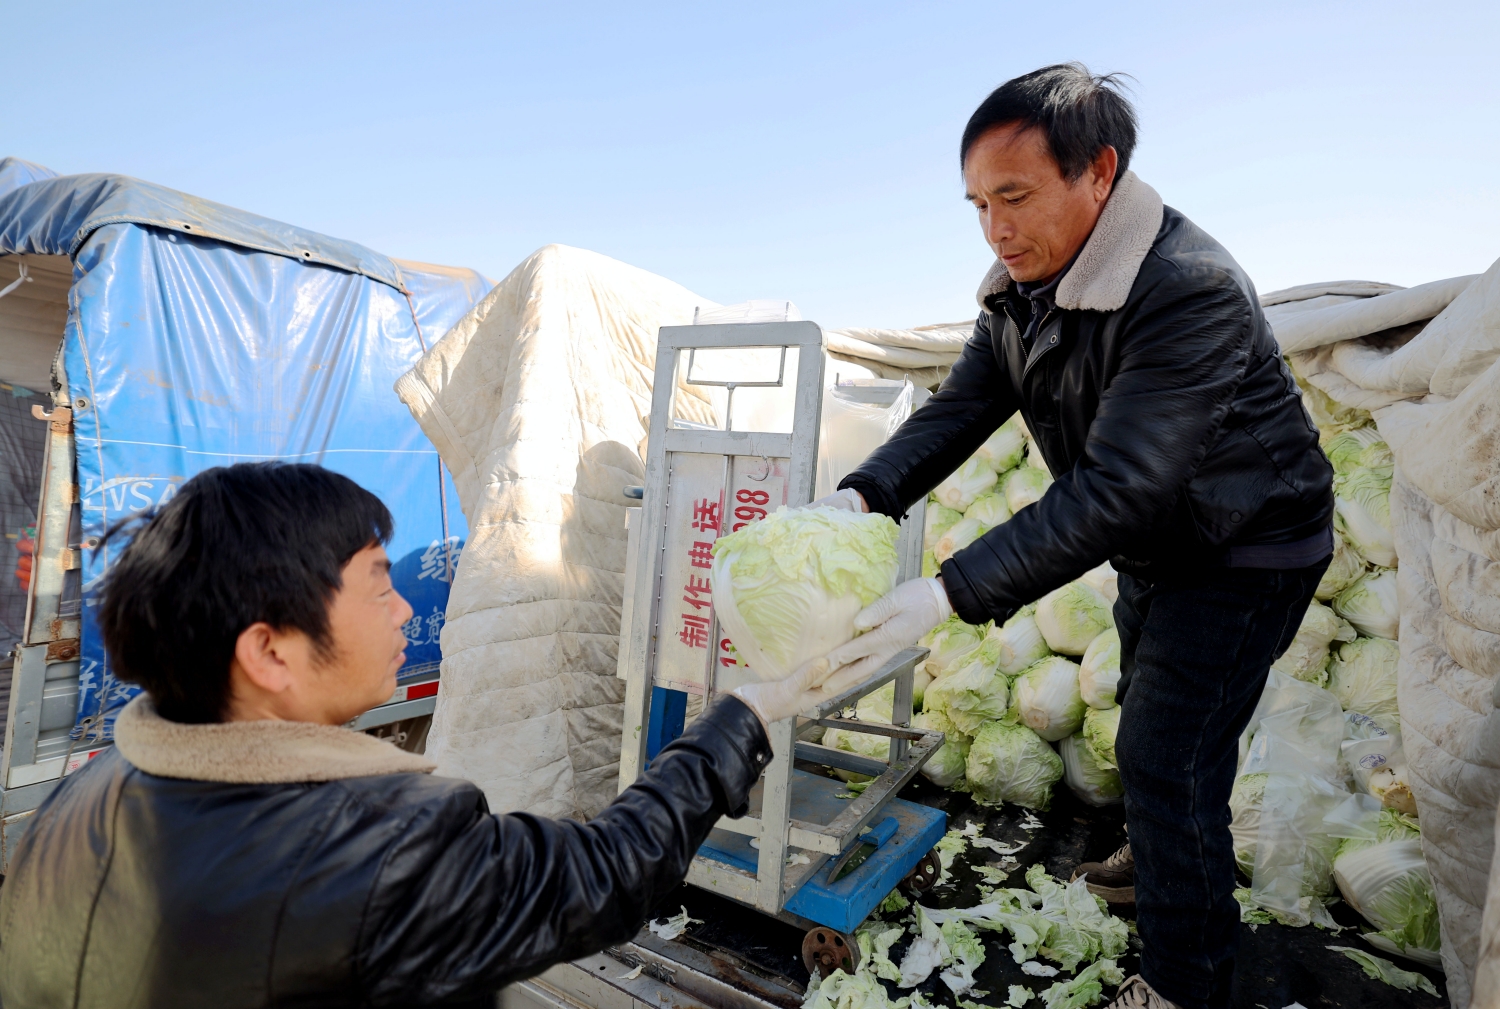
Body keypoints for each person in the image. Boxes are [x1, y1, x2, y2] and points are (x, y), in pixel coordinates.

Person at [816, 65, 1333, 1009]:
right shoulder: (1021, 293)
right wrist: (858, 498)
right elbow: (960, 407)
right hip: (1165, 546)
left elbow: (1120, 487)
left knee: (1165, 751)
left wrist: (943, 595)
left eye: (1014, 196)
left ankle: (1186, 981)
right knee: (1150, 713)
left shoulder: (1190, 289)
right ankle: (1165, 850)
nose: (995, 227)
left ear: (1098, 172)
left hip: (1246, 549)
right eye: (977, 204)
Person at [0, 462, 829, 1008]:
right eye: (376, 584)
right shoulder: (377, 846)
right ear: (269, 651)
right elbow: (606, 874)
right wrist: (747, 714)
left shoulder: (76, 800)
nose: (403, 610)